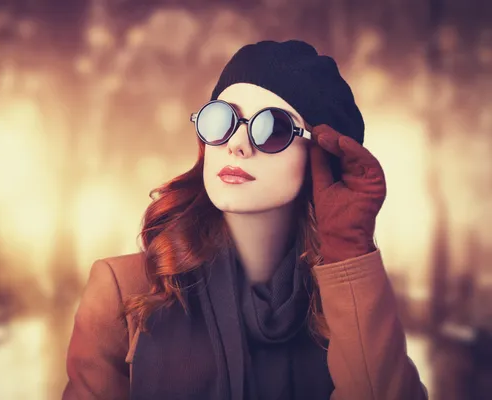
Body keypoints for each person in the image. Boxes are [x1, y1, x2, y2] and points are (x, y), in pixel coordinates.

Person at [62, 39, 428, 400]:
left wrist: (348, 249)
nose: (237, 144)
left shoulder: (349, 302)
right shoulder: (124, 291)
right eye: (222, 119)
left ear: (322, 158)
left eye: (274, 127)